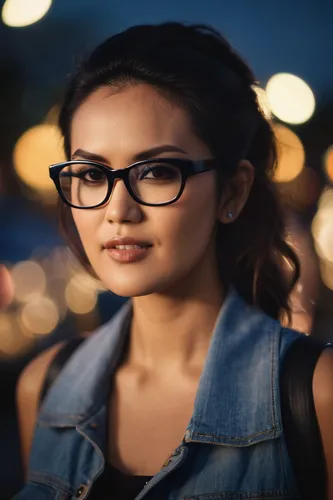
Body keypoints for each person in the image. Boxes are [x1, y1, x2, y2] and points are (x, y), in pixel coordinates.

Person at [14, 22, 333, 499]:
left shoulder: (316, 394)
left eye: (157, 172)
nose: (118, 210)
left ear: (233, 190)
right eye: (92, 174)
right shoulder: (43, 389)